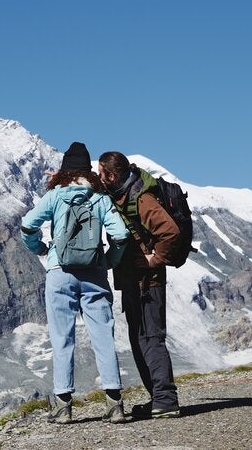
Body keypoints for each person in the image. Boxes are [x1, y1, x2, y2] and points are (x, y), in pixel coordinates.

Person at [20, 142, 131, 424]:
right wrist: (109, 261)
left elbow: (27, 226)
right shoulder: (99, 198)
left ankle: (63, 407)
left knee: (61, 337)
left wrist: (40, 249)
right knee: (103, 336)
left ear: (64, 171)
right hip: (94, 272)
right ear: (88, 172)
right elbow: (120, 235)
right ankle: (115, 405)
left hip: (60, 271)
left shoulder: (55, 196)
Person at [97, 151, 181, 418]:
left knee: (150, 337)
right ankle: (157, 398)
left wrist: (155, 260)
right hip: (133, 279)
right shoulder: (120, 193)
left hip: (148, 281)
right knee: (138, 338)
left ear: (111, 175)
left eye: (101, 174)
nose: (100, 179)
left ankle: (166, 400)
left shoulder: (141, 198)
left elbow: (169, 231)